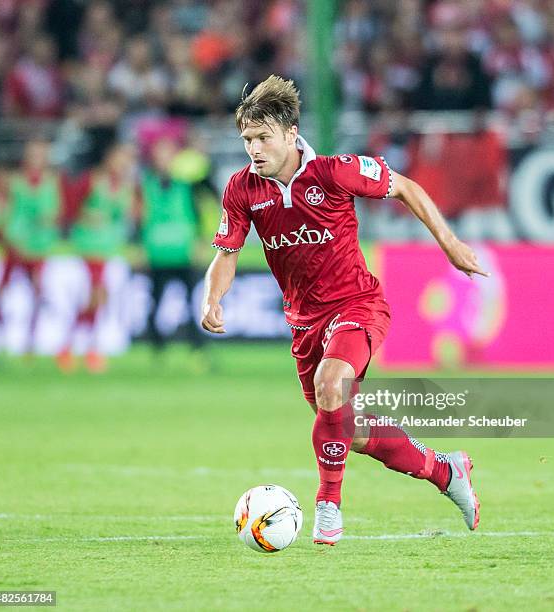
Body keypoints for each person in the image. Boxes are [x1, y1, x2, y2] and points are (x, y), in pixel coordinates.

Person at [201, 76, 488, 546]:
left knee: (331, 383)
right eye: (247, 140)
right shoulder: (242, 189)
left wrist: (451, 244)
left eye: (263, 138)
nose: (254, 148)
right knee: (345, 428)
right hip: (304, 323)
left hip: (358, 304)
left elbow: (406, 187)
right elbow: (226, 254)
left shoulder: (334, 172)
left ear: (291, 134)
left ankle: (328, 507)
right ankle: (445, 470)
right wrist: (213, 297)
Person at [58, 142, 136, 373]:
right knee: (95, 297)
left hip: (107, 248)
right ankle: (82, 349)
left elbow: (127, 215)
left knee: (98, 299)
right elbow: (70, 207)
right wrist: (86, 216)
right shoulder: (92, 180)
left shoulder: (125, 185)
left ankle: (74, 348)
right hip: (88, 247)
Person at [0, 139, 63, 354]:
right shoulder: (12, 180)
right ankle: (0, 335)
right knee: (1, 294)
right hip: (15, 244)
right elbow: (1, 209)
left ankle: (30, 340)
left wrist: (48, 221)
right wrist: (7, 235)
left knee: (37, 295)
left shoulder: (52, 181)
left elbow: (56, 213)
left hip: (38, 246)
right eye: (33, 152)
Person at [140, 137, 206, 360]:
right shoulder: (145, 186)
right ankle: (157, 344)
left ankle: (196, 344)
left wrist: (200, 242)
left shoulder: (186, 185)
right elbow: (139, 219)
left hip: (182, 252)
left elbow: (197, 216)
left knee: (192, 303)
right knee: (155, 303)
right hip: (157, 254)